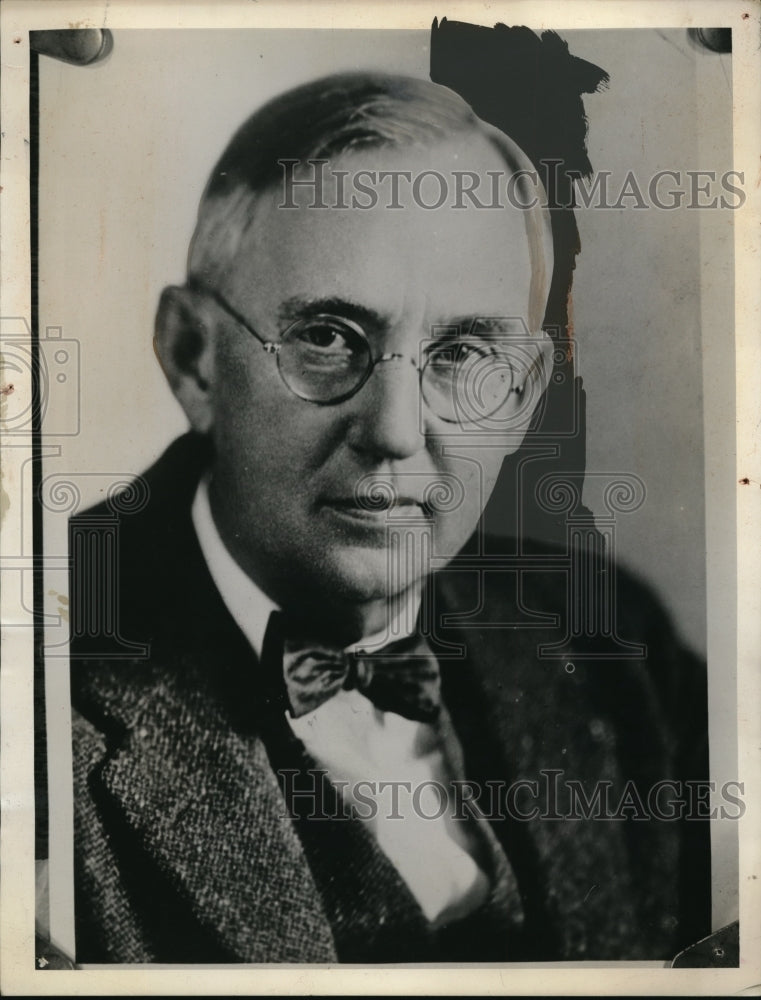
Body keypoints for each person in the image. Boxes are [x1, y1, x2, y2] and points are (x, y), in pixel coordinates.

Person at [69, 72, 710, 964]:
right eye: (328, 338)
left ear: (521, 395)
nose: (397, 430)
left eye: (462, 353)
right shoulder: (31, 694)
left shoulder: (611, 643)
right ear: (192, 359)